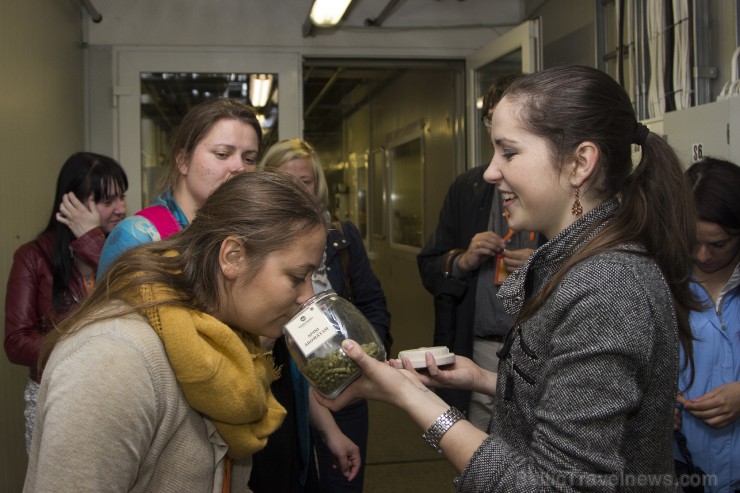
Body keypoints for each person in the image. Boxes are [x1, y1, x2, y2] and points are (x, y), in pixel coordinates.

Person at [316, 65, 700, 492]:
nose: (490, 172)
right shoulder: (581, 264)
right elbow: (576, 402)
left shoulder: (605, 288)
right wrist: (481, 380)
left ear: (580, 163)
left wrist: (414, 399)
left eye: (509, 152)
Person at [24, 171, 328, 492]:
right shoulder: (111, 360)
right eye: (298, 276)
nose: (308, 296)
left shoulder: (235, 346)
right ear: (232, 257)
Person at [259, 138, 391, 493]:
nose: (297, 190)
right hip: (283, 386)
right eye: (285, 180)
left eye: (305, 181)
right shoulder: (258, 242)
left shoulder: (341, 237)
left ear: (317, 184)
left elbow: (373, 302)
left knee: (342, 481)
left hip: (344, 384)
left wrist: (367, 356)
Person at [417, 73, 542, 430]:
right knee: (476, 458)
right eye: (490, 120)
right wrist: (463, 261)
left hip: (539, 352)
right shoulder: (470, 187)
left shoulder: (558, 193)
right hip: (479, 349)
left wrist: (544, 265)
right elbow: (429, 265)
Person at [4, 151, 128, 453]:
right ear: (72, 203)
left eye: (122, 197)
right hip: (57, 396)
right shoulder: (33, 258)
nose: (121, 209)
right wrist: (83, 350)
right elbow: (17, 342)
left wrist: (92, 240)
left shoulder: (129, 249)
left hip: (116, 395)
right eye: (107, 201)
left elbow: (136, 298)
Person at [96, 97, 262, 279]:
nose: (240, 167)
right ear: (183, 161)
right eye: (222, 154)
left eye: (249, 159)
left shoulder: (249, 235)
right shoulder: (137, 238)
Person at [676, 157, 740, 493]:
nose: (702, 256)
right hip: (682, 472)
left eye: (718, 245)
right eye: (693, 241)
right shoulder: (660, 280)